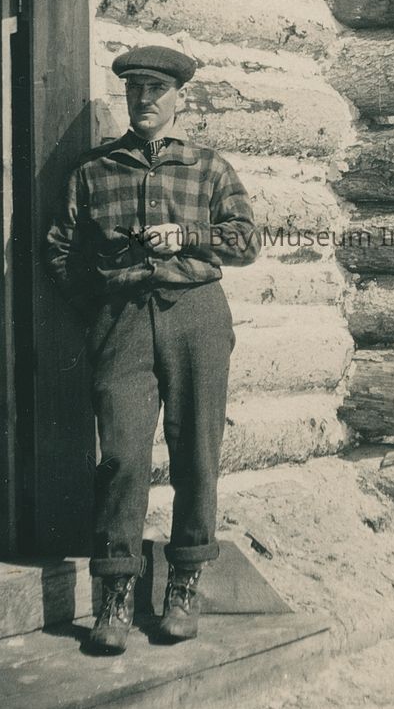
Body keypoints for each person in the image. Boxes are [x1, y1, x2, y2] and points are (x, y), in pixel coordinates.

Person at [44, 38, 260, 654]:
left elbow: (246, 241)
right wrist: (99, 307)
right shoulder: (93, 171)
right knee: (121, 458)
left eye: (156, 89)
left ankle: (184, 586)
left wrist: (187, 236)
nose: (144, 98)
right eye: (135, 88)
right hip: (122, 324)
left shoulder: (208, 167)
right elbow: (59, 249)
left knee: (197, 452)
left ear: (177, 98)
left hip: (198, 317)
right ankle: (115, 595)